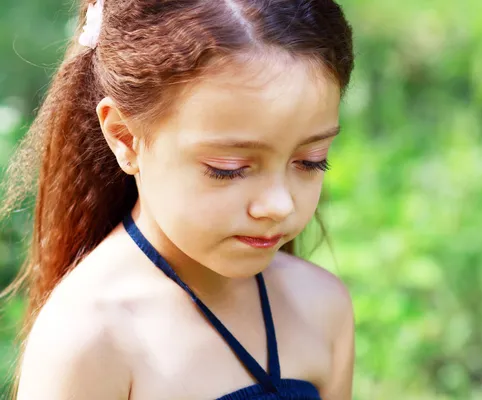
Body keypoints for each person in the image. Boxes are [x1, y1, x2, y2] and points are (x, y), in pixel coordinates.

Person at [2, 0, 355, 398]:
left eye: (310, 162)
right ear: (124, 137)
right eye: (229, 167)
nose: (280, 205)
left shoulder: (321, 306)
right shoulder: (89, 339)